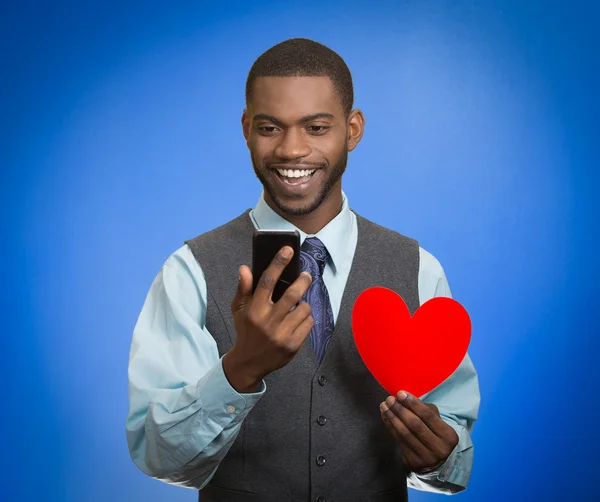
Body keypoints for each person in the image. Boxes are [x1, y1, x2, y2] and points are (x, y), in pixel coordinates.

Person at [126, 38, 480, 502]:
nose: (292, 150)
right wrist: (240, 368)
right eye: (271, 127)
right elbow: (158, 456)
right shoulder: (190, 269)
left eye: (316, 127)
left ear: (352, 130)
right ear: (246, 129)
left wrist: (440, 454)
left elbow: (452, 449)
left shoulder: (416, 268)